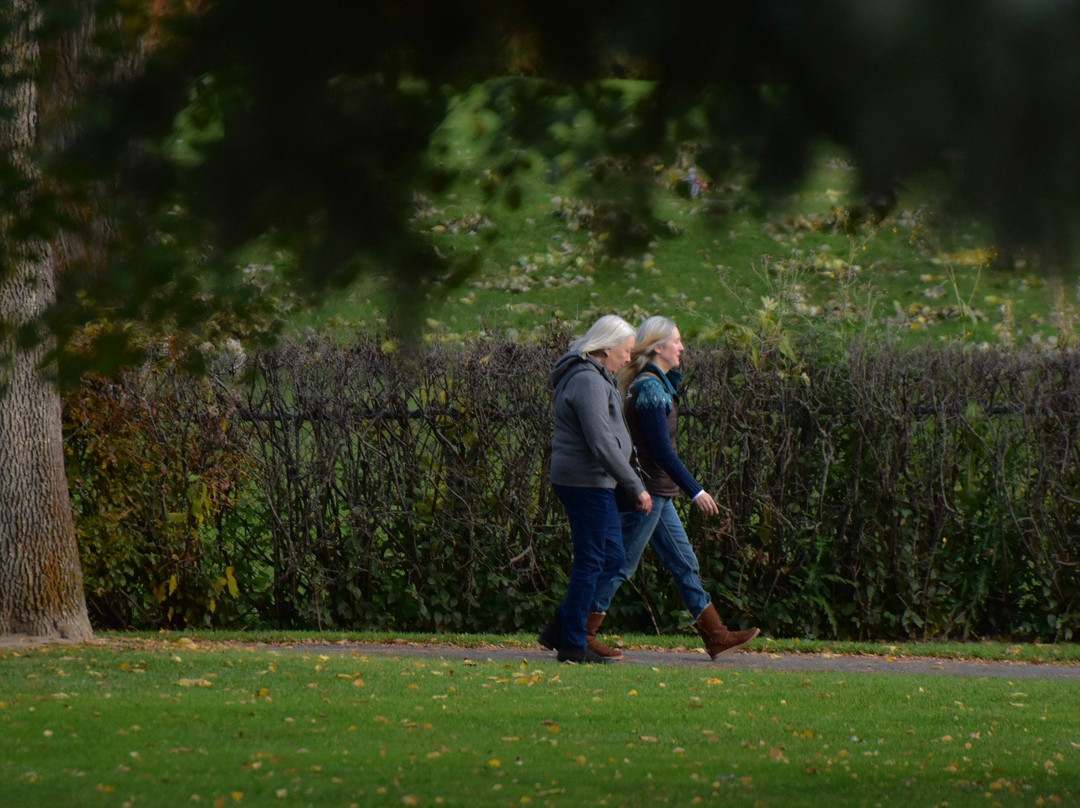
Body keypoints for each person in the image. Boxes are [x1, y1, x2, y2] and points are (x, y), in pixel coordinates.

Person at [588, 316, 760, 660]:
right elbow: (662, 452)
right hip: (646, 495)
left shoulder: (656, 385)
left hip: (658, 494)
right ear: (658, 347)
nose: (682, 347)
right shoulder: (651, 389)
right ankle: (580, 630)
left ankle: (716, 636)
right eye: (677, 341)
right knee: (621, 564)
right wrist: (696, 491)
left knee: (684, 561)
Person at [538, 315, 652, 663]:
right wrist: (636, 486)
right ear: (606, 347)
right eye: (626, 350)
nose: (628, 358)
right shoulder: (587, 380)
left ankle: (562, 627)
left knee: (612, 557)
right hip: (585, 482)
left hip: (596, 482)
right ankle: (572, 644)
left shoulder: (597, 377)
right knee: (592, 559)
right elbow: (601, 442)